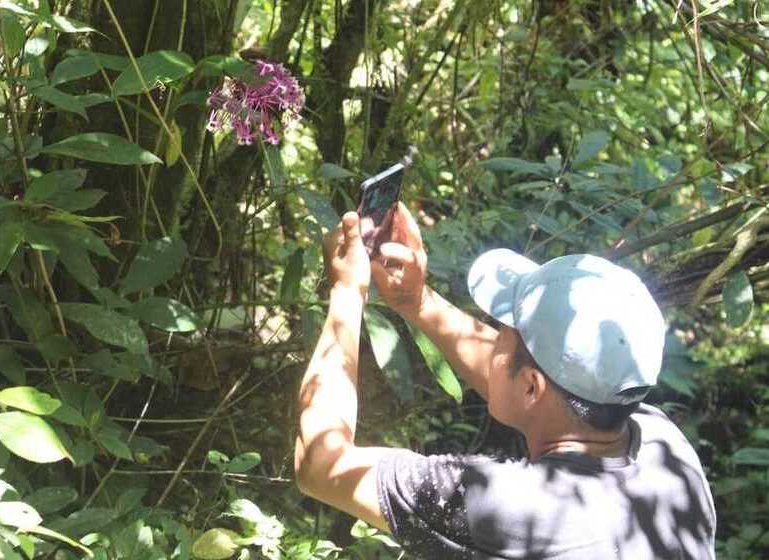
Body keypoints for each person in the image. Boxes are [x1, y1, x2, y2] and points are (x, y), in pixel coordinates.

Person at [294, 203, 717, 559]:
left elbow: (322, 465)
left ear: (532, 386)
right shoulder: (667, 449)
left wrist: (349, 293)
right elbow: (537, 382)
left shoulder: (510, 507)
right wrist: (415, 301)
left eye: (503, 334)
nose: (493, 341)